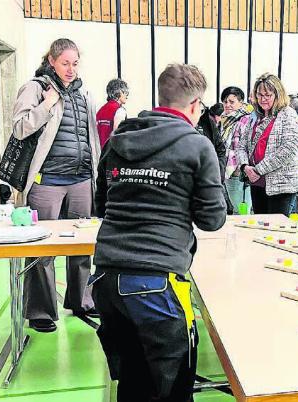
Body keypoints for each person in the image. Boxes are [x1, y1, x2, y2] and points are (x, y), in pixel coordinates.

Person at [93, 63, 226, 402]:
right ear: (195, 105)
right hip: (156, 283)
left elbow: (101, 203)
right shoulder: (197, 146)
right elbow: (212, 218)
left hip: (107, 280)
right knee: (172, 391)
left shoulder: (120, 138)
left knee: (133, 384)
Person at [12, 38, 101, 333]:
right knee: (41, 247)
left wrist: (94, 172)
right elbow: (20, 126)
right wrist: (48, 105)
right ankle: (40, 310)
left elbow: (91, 137)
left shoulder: (83, 92)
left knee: (82, 246)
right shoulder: (36, 88)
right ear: (52, 60)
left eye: (75, 63)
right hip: (46, 181)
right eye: (65, 63)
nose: (71, 69)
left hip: (80, 180)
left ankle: (82, 300)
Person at [235, 73, 298, 215]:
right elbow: (241, 146)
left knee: (276, 231)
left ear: (277, 95)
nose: (263, 99)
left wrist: (258, 170)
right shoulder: (255, 115)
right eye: (259, 95)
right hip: (257, 183)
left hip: (281, 186)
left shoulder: (287, 114)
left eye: (267, 95)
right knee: (260, 228)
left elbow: (289, 149)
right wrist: (245, 166)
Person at [220, 86, 253, 213]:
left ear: (241, 103)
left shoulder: (245, 120)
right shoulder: (225, 120)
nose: (227, 105)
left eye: (232, 102)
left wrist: (241, 168)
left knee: (241, 211)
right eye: (225, 101)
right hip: (229, 171)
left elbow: (244, 147)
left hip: (239, 172)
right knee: (237, 209)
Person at [96, 78, 129, 146]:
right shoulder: (119, 110)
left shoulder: (100, 111)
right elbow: (118, 136)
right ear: (119, 92)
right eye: (125, 92)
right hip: (111, 152)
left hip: (100, 153)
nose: (127, 96)